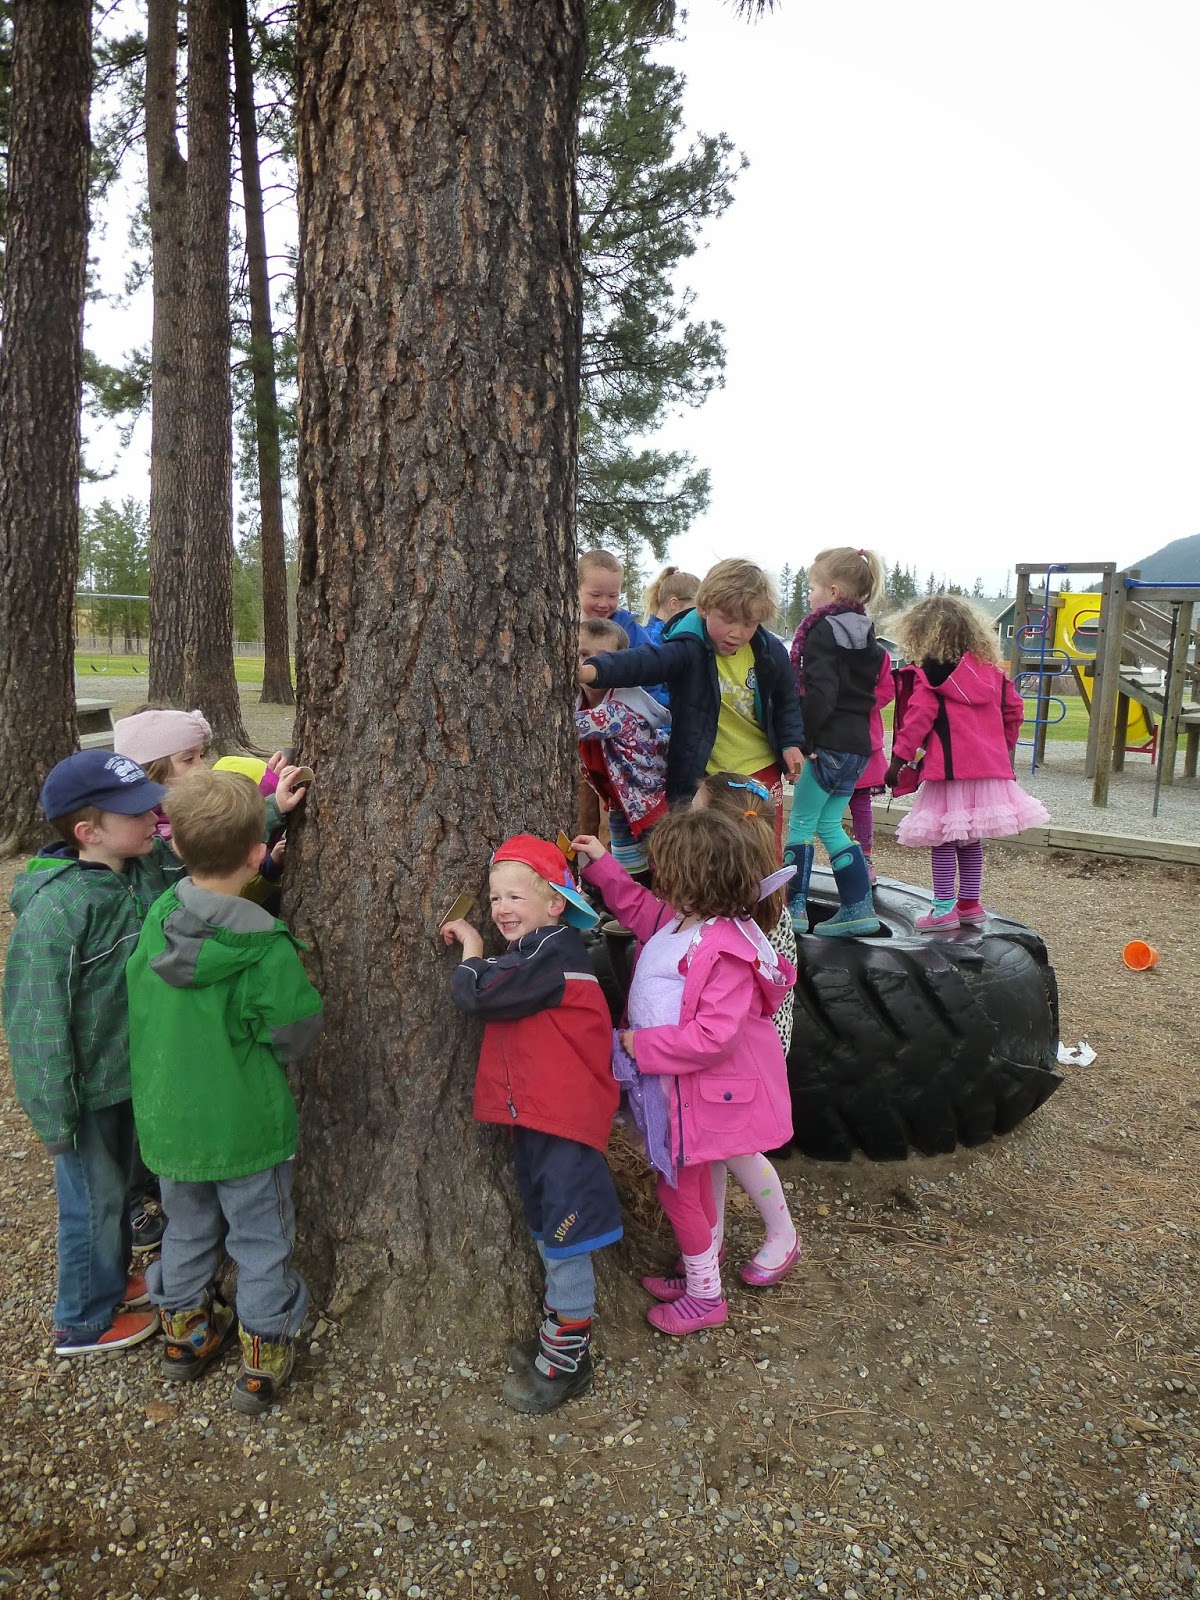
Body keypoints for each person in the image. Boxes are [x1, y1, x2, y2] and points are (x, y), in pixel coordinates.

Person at [127, 770, 323, 1413]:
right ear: (256, 854)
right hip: (246, 1129)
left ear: (176, 846)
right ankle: (262, 1355)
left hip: (170, 1125)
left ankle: (184, 1336)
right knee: (261, 1240)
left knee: (186, 1230)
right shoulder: (264, 947)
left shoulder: (160, 915)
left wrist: (265, 812)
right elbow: (295, 1033)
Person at [574, 808, 795, 1336]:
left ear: (693, 880)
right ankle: (702, 1272)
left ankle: (705, 1297)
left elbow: (714, 1037)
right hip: (677, 1088)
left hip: (694, 1093)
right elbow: (635, 906)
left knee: (679, 1192)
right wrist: (602, 864)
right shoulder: (680, 922)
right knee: (688, 1190)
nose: (658, 880)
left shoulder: (724, 950)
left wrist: (641, 1044)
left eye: (666, 871)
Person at [2, 750, 187, 1355]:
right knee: (93, 1203)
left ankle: (104, 1280)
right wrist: (56, 1118)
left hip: (128, 1076)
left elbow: (205, 844)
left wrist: (268, 814)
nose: (154, 818)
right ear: (89, 832)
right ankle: (82, 1319)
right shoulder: (57, 910)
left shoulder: (141, 865)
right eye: (136, 813)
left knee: (116, 1193)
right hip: (84, 1095)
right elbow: (36, 1021)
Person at [441, 836, 620, 1415]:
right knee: (546, 1224)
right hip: (543, 1117)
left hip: (563, 1122)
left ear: (556, 903)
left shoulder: (553, 953)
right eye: (495, 898)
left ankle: (569, 1357)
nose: (501, 909)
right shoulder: (536, 952)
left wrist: (471, 949)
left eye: (515, 896)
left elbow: (479, 994)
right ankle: (557, 1332)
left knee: (566, 1234)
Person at [579, 558, 804, 852]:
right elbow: (645, 662)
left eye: (748, 623)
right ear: (704, 608)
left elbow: (786, 700)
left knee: (762, 847)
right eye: (728, 619)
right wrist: (592, 670)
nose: (736, 632)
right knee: (707, 850)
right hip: (707, 773)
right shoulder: (688, 647)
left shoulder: (768, 650)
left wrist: (790, 742)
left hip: (760, 768)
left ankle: (767, 885)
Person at [689, 773, 801, 1286]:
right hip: (718, 1043)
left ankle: (783, 1232)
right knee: (709, 1148)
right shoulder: (725, 893)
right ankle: (707, 1245)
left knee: (734, 1148)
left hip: (745, 1050)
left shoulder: (752, 907)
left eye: (695, 815)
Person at [885, 595, 1049, 930]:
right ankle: (970, 904)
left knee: (944, 838)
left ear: (921, 634)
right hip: (988, 772)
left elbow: (917, 722)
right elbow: (1014, 711)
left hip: (949, 773)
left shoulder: (930, 679)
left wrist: (898, 761)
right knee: (971, 838)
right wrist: (998, 747)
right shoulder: (992, 674)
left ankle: (943, 908)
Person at [784, 547, 887, 937]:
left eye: (812, 587)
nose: (809, 595)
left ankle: (792, 909)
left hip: (827, 743)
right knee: (829, 823)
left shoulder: (822, 631)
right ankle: (858, 909)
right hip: (858, 746)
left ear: (832, 591)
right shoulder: (865, 631)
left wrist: (804, 738)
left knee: (801, 822)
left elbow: (822, 692)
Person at [576, 617, 670, 877]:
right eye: (583, 654)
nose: (591, 664)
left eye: (604, 657)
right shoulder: (579, 700)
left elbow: (574, 726)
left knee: (662, 863)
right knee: (628, 868)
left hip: (651, 800)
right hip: (621, 801)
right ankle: (630, 895)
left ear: (622, 665)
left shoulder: (624, 704)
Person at [846, 649, 896, 887]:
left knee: (860, 802)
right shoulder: (823, 644)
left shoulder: (877, 653)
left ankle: (864, 857)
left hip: (865, 740)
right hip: (827, 739)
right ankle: (836, 856)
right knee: (821, 809)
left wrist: (859, 703)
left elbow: (887, 690)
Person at [577, 548, 653, 646]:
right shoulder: (565, 625)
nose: (604, 604)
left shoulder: (628, 628)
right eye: (595, 595)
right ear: (577, 590)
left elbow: (651, 653)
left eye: (612, 596)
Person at [642, 564, 700, 645]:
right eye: (693, 610)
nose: (698, 616)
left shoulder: (669, 634)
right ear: (674, 604)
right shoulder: (650, 640)